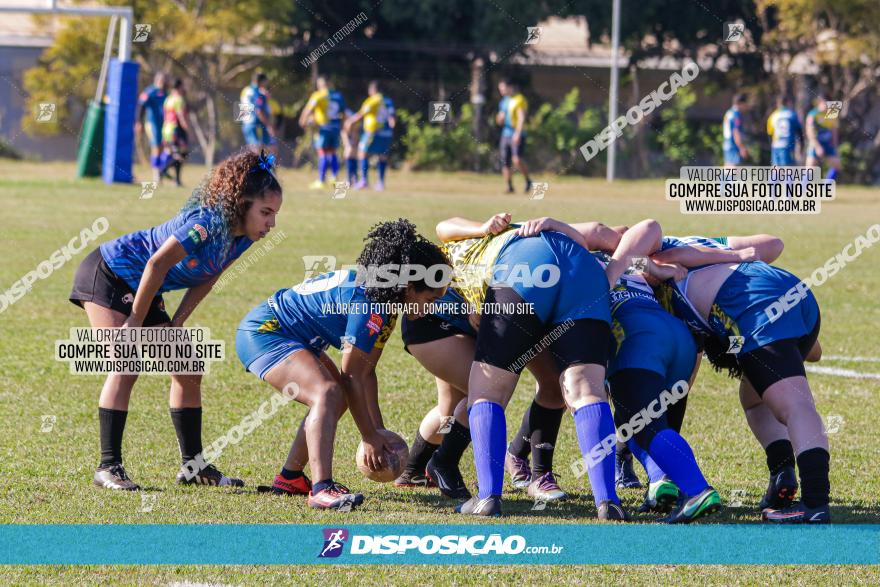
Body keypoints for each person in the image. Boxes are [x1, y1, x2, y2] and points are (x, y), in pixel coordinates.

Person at [69, 150, 282, 491]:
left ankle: (194, 467)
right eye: (266, 212)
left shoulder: (242, 239)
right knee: (126, 363)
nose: (271, 223)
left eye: (274, 214)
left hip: (143, 286)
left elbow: (207, 278)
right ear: (242, 204)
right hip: (108, 274)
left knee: (188, 368)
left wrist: (177, 322)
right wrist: (135, 322)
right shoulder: (206, 224)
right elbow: (156, 264)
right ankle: (108, 467)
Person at [435, 215, 665, 519]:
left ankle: (487, 496)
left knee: (487, 391)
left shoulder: (460, 259)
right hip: (581, 270)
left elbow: (442, 227)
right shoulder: (502, 232)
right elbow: (602, 229)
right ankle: (608, 501)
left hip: (524, 266)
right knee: (587, 391)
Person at [238, 220, 449, 509]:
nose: (432, 306)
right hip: (265, 331)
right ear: (409, 286)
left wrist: (378, 430)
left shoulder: (385, 302)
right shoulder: (371, 305)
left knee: (335, 396)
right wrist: (369, 437)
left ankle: (290, 478)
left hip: (293, 336)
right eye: (430, 298)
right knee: (328, 393)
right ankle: (321, 488)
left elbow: (365, 372)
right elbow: (352, 378)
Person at [651, 248, 829, 523]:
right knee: (754, 397)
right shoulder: (712, 249)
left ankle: (815, 503)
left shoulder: (657, 264)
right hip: (796, 292)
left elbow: (683, 377)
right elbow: (814, 351)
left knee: (794, 405)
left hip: (753, 305)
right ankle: (782, 471)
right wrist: (740, 254)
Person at [344, 81, 396, 191]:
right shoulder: (388, 101)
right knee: (382, 155)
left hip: (373, 132)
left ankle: (364, 181)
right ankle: (381, 183)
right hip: (386, 133)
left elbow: (360, 114)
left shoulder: (373, 100)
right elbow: (392, 118)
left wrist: (350, 122)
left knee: (362, 153)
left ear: (372, 90)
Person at [299, 76, 346, 189]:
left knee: (322, 152)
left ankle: (321, 180)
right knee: (332, 152)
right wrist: (342, 126)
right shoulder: (338, 96)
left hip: (323, 128)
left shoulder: (318, 95)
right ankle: (334, 177)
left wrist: (302, 121)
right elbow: (343, 113)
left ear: (320, 85)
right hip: (335, 127)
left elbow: (308, 109)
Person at [496, 80, 532, 194]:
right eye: (500, 89)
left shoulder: (519, 100)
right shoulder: (504, 101)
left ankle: (528, 181)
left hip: (517, 133)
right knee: (505, 161)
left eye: (503, 88)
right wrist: (499, 119)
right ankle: (510, 186)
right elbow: (499, 119)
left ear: (510, 87)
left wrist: (517, 133)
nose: (501, 91)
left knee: (516, 160)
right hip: (505, 134)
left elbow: (521, 118)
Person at [135, 72, 168, 183]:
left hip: (164, 124)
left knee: (163, 147)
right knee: (156, 147)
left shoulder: (165, 93)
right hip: (152, 123)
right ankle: (156, 174)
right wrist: (138, 121)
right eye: (162, 80)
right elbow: (141, 105)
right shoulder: (150, 91)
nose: (163, 83)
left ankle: (161, 171)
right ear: (157, 80)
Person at [161, 79, 190, 187]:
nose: (184, 88)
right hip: (176, 130)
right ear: (179, 87)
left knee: (177, 154)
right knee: (181, 155)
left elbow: (165, 115)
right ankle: (163, 170)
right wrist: (186, 128)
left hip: (166, 130)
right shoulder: (179, 99)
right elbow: (180, 115)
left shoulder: (168, 99)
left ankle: (177, 180)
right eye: (183, 86)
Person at [241, 72, 277, 157]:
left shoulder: (245, 90)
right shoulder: (257, 92)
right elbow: (259, 110)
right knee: (260, 148)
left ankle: (257, 167)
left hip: (246, 122)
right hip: (256, 123)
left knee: (253, 146)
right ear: (262, 81)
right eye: (266, 81)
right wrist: (268, 125)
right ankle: (263, 167)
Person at [805, 96, 841, 181]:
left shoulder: (832, 112)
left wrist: (835, 146)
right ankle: (801, 190)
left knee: (837, 166)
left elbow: (834, 131)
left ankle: (825, 187)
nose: (827, 106)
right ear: (819, 103)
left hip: (828, 143)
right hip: (815, 143)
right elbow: (809, 132)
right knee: (810, 169)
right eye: (824, 103)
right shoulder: (813, 114)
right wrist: (817, 147)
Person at [767, 95, 802, 167]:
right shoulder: (792, 114)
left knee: (776, 168)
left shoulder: (773, 115)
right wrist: (801, 145)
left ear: (778, 104)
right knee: (788, 168)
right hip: (787, 145)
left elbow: (769, 133)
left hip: (776, 145)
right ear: (788, 103)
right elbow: (799, 131)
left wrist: (771, 145)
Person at [723, 93, 749, 167]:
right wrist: (741, 147)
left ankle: (722, 179)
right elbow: (736, 132)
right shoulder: (736, 114)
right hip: (733, 144)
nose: (746, 107)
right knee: (732, 167)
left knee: (727, 166)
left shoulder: (729, 112)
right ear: (741, 103)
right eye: (745, 104)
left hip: (727, 143)